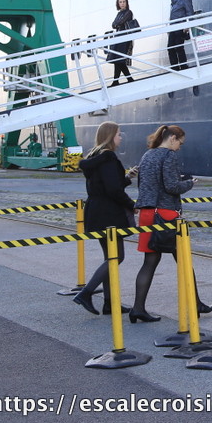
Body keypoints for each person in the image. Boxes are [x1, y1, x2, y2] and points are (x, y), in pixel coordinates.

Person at [130, 124, 212, 322]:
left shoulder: (147, 155)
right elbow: (172, 186)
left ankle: (137, 308)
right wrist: (190, 183)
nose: (179, 148)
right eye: (180, 143)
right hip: (166, 214)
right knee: (184, 259)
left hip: (148, 213)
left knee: (149, 262)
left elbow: (147, 184)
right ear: (173, 138)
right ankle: (195, 303)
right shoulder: (169, 156)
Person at [73, 121, 137, 315]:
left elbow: (106, 185)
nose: (120, 137)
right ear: (110, 136)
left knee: (110, 257)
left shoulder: (94, 156)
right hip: (109, 212)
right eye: (118, 134)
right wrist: (132, 205)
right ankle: (86, 293)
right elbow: (112, 190)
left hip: (95, 210)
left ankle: (110, 303)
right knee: (116, 256)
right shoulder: (109, 157)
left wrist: (127, 178)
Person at [107, 0, 136, 84]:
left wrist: (117, 24)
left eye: (124, 2)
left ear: (126, 3)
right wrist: (117, 24)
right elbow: (113, 25)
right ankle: (119, 80)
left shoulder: (128, 12)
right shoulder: (119, 13)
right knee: (117, 60)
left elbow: (120, 22)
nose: (122, 4)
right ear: (118, 4)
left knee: (120, 59)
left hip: (125, 39)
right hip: (119, 39)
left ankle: (121, 80)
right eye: (120, 2)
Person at [167, 0, 195, 69]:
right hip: (173, 27)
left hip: (180, 26)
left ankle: (183, 66)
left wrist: (187, 25)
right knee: (170, 47)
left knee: (179, 47)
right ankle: (174, 67)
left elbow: (190, 12)